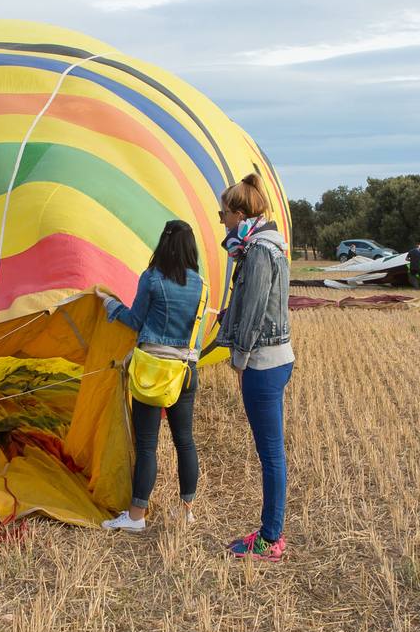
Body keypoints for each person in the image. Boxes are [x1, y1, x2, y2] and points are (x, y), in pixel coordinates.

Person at [100, 220, 207, 533]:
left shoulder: (152, 279)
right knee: (184, 441)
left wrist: (110, 305)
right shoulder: (201, 284)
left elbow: (134, 320)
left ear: (163, 244)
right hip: (186, 372)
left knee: (147, 445)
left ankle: (136, 516)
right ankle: (186, 510)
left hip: (152, 371)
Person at [216, 175, 293, 561]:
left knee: (271, 454)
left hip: (264, 361)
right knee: (271, 452)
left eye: (223, 215)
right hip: (273, 359)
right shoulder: (265, 246)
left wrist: (240, 357)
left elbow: (255, 309)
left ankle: (270, 538)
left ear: (240, 214)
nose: (222, 223)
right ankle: (270, 530)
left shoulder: (260, 252)